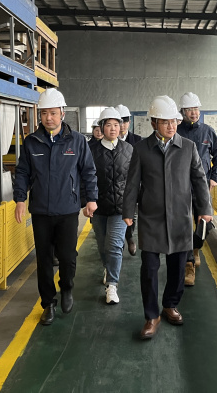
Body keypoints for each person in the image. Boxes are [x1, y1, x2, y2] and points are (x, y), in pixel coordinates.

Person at [122, 95, 212, 340]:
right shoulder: (142, 149)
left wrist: (205, 209)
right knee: (149, 269)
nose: (171, 126)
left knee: (178, 268)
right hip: (151, 218)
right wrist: (128, 211)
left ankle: (170, 305)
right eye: (165, 122)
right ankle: (151, 316)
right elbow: (132, 183)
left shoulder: (188, 147)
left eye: (174, 121)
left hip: (180, 218)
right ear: (154, 123)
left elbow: (199, 180)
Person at [13, 88, 98, 326]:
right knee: (44, 260)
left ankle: (67, 287)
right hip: (40, 211)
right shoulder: (31, 142)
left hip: (68, 210)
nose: (48, 118)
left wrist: (91, 199)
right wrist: (20, 199)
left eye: (52, 113)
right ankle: (48, 303)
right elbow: (22, 172)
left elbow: (88, 171)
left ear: (62, 113)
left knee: (68, 257)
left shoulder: (77, 141)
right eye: (43, 113)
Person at [177, 92, 217, 286]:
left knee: (204, 224)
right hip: (180, 186)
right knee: (183, 224)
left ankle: (195, 249)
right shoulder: (176, 131)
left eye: (196, 109)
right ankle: (189, 265)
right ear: (183, 112)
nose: (194, 113)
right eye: (190, 110)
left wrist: (214, 178)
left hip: (202, 186)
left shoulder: (207, 131)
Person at [86, 107, 133, 305]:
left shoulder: (129, 150)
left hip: (120, 208)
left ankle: (112, 286)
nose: (113, 128)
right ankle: (108, 267)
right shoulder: (91, 151)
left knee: (114, 245)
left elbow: (134, 180)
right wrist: (87, 201)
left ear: (120, 127)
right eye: (109, 125)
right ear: (102, 127)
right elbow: (85, 177)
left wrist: (132, 206)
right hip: (99, 207)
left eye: (116, 124)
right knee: (102, 245)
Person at [115, 104, 141, 256]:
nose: (122, 125)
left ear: (129, 122)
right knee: (117, 214)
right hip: (115, 184)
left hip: (132, 183)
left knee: (132, 213)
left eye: (125, 121)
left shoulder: (137, 140)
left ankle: (130, 237)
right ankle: (121, 240)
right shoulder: (109, 140)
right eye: (119, 121)